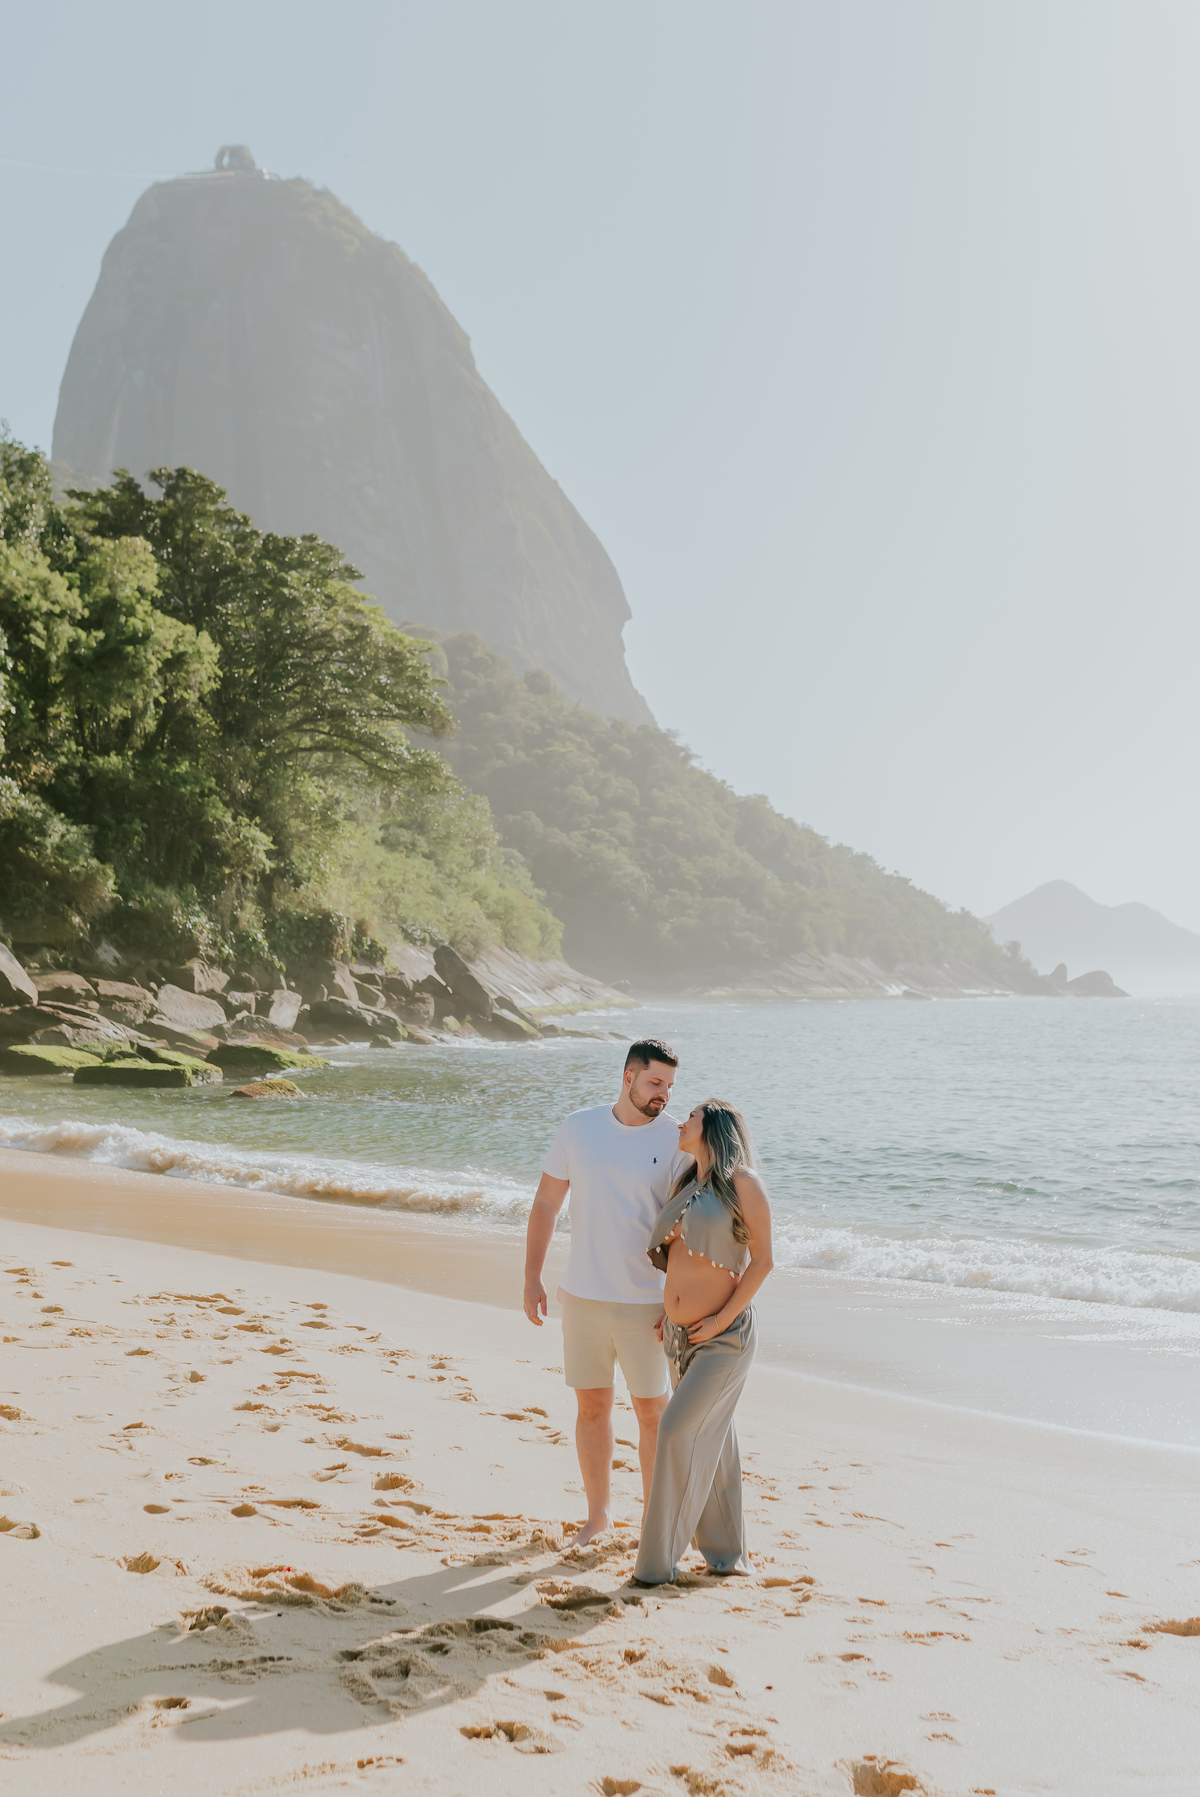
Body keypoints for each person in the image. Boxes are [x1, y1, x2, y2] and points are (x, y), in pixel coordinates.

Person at [524, 1038, 692, 1546]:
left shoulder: (678, 1140)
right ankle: (598, 1518)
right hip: (583, 1297)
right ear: (628, 1077)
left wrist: (676, 1301)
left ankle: (651, 1525)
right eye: (655, 1082)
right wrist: (531, 1276)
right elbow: (547, 1204)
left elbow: (686, 1229)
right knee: (592, 1408)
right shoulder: (579, 1127)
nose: (663, 1094)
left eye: (669, 1085)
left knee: (653, 1414)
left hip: (648, 1304)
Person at [631, 1098, 774, 1587]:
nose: (680, 1121)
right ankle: (727, 1555)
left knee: (675, 1431)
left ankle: (655, 1567)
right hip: (678, 1337)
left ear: (712, 1126)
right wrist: (669, 1312)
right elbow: (679, 1260)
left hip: (724, 1339)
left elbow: (762, 1262)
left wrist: (718, 1320)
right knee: (718, 1441)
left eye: (690, 1116)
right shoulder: (687, 1183)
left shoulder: (744, 1183)